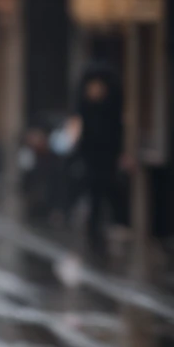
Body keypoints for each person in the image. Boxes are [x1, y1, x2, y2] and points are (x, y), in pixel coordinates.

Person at [75, 62, 125, 251]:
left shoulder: (112, 110)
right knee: (94, 194)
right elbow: (78, 132)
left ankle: (113, 226)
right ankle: (94, 231)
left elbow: (117, 133)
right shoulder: (84, 109)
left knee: (109, 191)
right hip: (90, 159)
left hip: (109, 158)